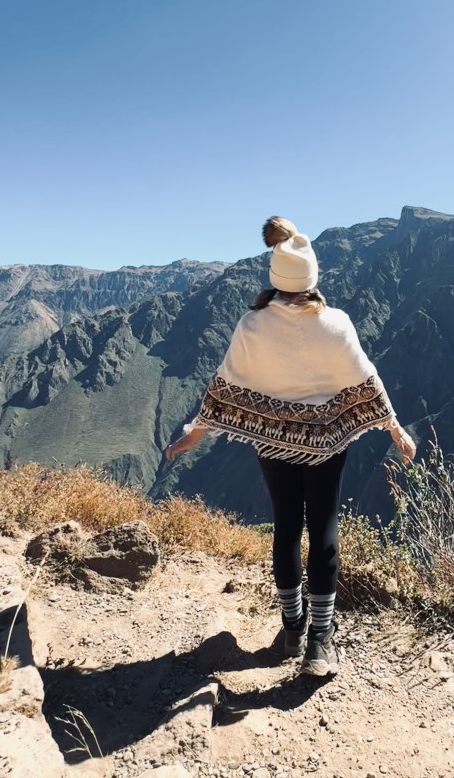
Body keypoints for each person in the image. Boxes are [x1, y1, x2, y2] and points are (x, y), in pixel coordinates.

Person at [165, 216, 416, 677]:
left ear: (275, 279)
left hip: (273, 445)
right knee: (322, 528)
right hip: (326, 445)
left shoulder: (252, 325)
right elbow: (365, 380)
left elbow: (226, 385)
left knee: (286, 527)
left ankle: (291, 628)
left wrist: (196, 432)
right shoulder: (336, 324)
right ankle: (321, 642)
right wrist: (394, 428)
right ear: (313, 278)